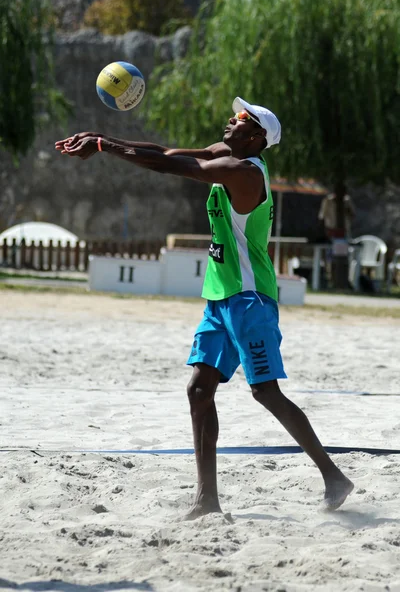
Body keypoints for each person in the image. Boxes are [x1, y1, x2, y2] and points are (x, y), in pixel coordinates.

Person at [55, 97, 354, 518]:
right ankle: (206, 500)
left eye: (241, 119)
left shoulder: (243, 171)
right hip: (220, 297)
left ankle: (333, 477)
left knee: (265, 392)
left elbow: (169, 168)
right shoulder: (226, 153)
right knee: (199, 391)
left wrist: (104, 148)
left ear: (257, 137)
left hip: (250, 298)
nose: (231, 120)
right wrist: (101, 138)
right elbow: (166, 153)